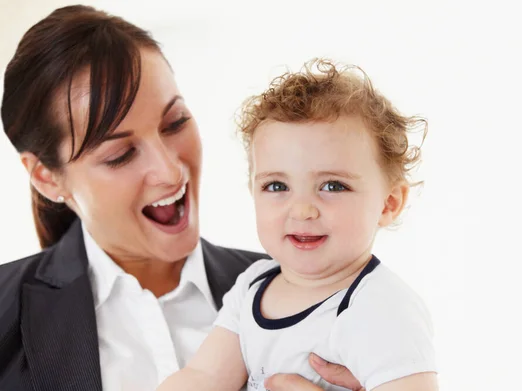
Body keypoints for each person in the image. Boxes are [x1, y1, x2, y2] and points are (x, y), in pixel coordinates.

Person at [0, 6, 358, 390]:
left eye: (176, 123)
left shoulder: (314, 290)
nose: (171, 171)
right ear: (47, 177)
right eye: (119, 155)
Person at [158, 60, 438, 391]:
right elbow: (204, 377)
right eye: (277, 186)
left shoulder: (379, 307)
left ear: (389, 203)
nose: (302, 210)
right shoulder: (252, 286)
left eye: (333, 186)